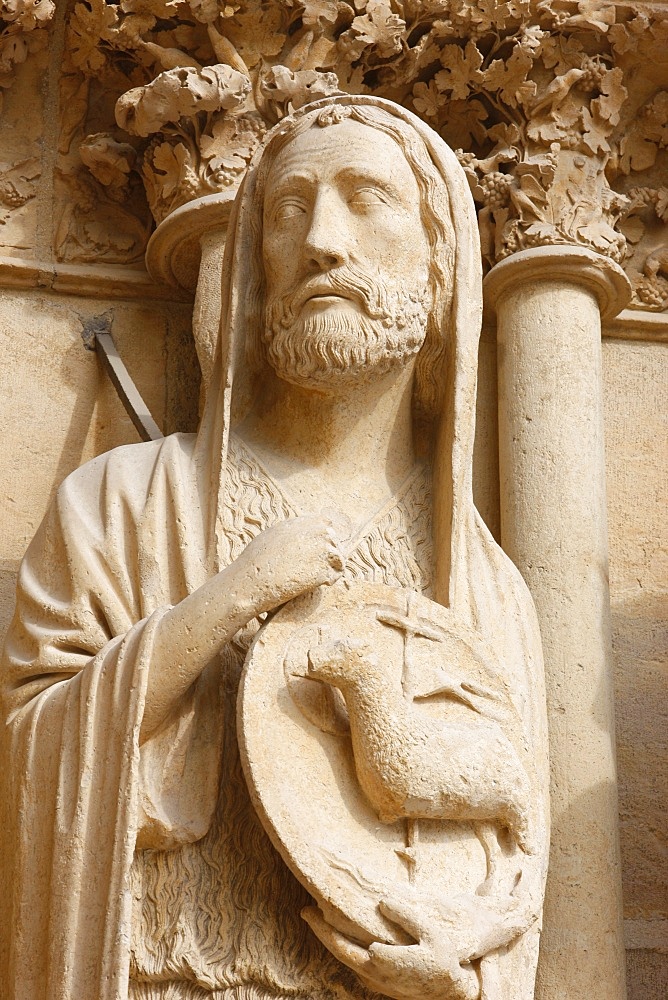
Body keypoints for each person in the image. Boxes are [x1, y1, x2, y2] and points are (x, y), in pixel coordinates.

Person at [0, 96, 548, 1000]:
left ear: (444, 269)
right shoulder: (124, 502)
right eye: (289, 210)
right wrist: (223, 602)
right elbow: (28, 760)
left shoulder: (485, 582)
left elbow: (518, 840)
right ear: (253, 268)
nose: (323, 241)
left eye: (365, 198)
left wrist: (468, 961)